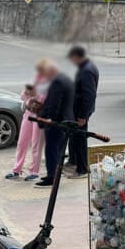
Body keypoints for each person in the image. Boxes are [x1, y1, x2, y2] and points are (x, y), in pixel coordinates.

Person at [5, 59, 50, 181]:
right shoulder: (33, 79)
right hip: (28, 113)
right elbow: (22, 96)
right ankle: (16, 169)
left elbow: (43, 100)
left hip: (39, 115)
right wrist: (26, 92)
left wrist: (34, 95)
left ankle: (34, 171)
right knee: (22, 142)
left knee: (36, 144)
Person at [35, 60, 74, 188]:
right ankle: (54, 174)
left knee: (51, 149)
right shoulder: (66, 79)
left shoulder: (57, 82)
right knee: (58, 150)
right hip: (65, 121)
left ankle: (52, 177)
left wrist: (49, 119)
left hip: (56, 123)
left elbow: (54, 103)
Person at [66, 46, 99, 179]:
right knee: (73, 136)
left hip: (80, 112)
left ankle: (82, 169)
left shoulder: (87, 71)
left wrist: (82, 116)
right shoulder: (84, 67)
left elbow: (89, 95)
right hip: (76, 110)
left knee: (79, 138)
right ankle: (73, 161)